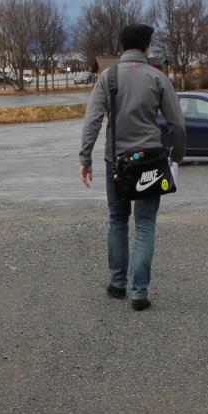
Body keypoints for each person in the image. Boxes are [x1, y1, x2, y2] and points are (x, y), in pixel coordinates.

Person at [79, 24, 186, 311]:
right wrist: (176, 156)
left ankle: (117, 284)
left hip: (117, 162)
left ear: (122, 46)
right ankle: (139, 293)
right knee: (146, 224)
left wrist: (85, 157)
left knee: (117, 219)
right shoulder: (157, 77)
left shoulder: (108, 77)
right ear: (147, 45)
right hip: (151, 160)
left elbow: (93, 120)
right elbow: (177, 124)